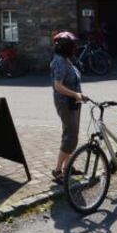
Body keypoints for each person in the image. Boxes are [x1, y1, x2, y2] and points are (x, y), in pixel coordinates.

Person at [50, 31, 86, 184]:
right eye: (72, 45)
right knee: (70, 136)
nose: (75, 48)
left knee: (72, 135)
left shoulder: (66, 60)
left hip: (73, 102)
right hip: (65, 103)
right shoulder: (59, 61)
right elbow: (58, 86)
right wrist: (76, 95)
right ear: (65, 47)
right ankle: (58, 170)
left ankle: (67, 168)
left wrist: (79, 95)